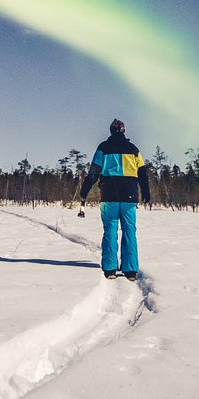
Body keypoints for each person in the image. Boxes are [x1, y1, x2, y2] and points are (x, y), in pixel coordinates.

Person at [78, 119, 150, 280]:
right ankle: (130, 270)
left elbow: (93, 174)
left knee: (110, 230)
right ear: (124, 131)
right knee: (130, 231)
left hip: (109, 196)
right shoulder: (134, 150)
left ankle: (110, 269)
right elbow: (143, 173)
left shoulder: (103, 148)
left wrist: (84, 193)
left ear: (111, 131)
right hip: (129, 198)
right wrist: (146, 192)